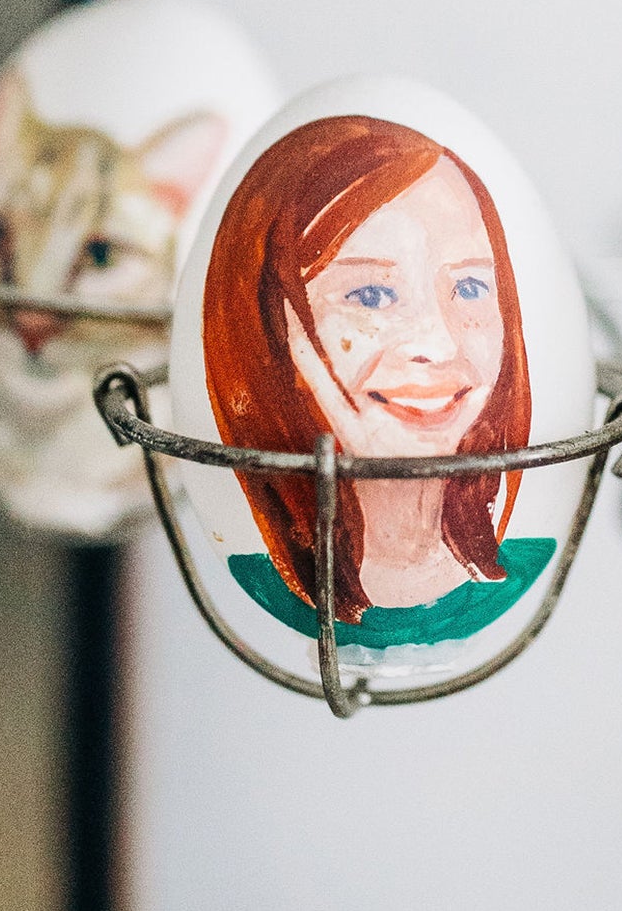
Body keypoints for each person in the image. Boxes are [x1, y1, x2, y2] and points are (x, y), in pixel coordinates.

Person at [201, 113, 552, 650]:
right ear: (268, 323)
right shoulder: (258, 579)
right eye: (370, 296)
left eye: (471, 287)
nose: (439, 344)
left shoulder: (529, 559)